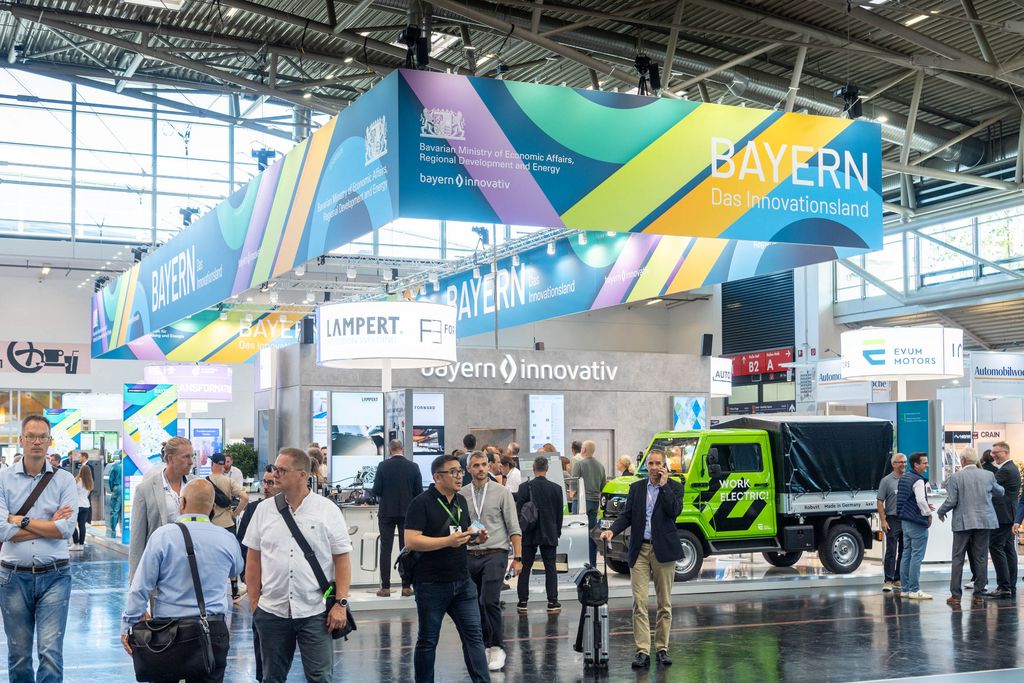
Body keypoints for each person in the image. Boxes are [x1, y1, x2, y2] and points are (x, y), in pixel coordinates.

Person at [244, 448, 352, 683]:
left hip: (315, 611)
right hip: (272, 611)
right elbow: (253, 559)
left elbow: (342, 559)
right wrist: (255, 603)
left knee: (320, 677)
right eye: (275, 468)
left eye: (282, 470)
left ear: (302, 475)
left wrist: (341, 603)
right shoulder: (263, 510)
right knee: (271, 677)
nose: (275, 475)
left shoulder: (327, 510)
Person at [121, 479, 244, 683]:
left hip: (168, 634)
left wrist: (129, 624)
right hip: (211, 631)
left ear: (182, 502)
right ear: (212, 507)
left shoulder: (163, 536)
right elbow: (236, 570)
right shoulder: (226, 538)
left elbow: (140, 587)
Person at [0, 414, 78, 683]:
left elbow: (66, 529)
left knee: (50, 653)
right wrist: (48, 524)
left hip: (55, 575)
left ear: (50, 441)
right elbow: (2, 530)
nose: (36, 442)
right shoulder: (3, 479)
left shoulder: (65, 479)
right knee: (19, 655)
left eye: (42, 437)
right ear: (21, 440)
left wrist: (18, 520)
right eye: (31, 436)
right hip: (12, 577)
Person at [404, 454, 491, 683]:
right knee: (428, 640)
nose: (459, 476)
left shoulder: (460, 502)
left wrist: (476, 538)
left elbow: (463, 533)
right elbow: (411, 541)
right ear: (437, 477)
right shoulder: (421, 503)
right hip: (431, 583)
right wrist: (446, 541)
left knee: (474, 636)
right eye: (453, 472)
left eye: (460, 471)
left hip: (462, 582)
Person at [600, 449, 684, 669]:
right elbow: (626, 515)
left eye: (659, 463)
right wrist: (612, 531)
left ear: (665, 466)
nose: (655, 467)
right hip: (640, 550)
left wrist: (665, 485)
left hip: (663, 551)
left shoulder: (675, 487)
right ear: (646, 466)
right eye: (651, 463)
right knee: (640, 602)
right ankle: (642, 650)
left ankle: (662, 648)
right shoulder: (636, 488)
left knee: (664, 603)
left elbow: (674, 511)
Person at [461, 452, 522, 672]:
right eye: (475, 465)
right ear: (468, 469)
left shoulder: (502, 492)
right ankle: (484, 645)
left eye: (483, 465)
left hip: (495, 552)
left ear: (489, 466)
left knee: (489, 600)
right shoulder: (462, 494)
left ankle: (497, 645)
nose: (480, 469)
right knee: (474, 604)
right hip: (469, 555)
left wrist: (518, 558)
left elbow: (514, 527)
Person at [936, 447, 1002, 605]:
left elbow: (952, 500)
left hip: (963, 523)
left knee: (958, 558)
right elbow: (1000, 491)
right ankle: (979, 594)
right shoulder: (988, 475)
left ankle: (956, 596)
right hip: (984, 522)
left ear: (962, 460)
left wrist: (941, 511)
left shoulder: (956, 477)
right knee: (981, 557)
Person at [129, 437, 195, 580]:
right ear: (170, 459)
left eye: (192, 456)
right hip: (161, 568)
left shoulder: (197, 485)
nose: (191, 462)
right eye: (186, 457)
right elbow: (137, 537)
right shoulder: (145, 489)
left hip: (192, 566)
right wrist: (135, 579)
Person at [236, 466, 276, 683]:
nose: (267, 487)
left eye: (271, 482)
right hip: (261, 591)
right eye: (265, 482)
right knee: (261, 640)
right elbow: (242, 545)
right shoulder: (254, 510)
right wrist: (248, 579)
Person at [371, 438, 422, 598]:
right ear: (403, 449)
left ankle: (385, 587)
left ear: (389, 450)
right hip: (408, 513)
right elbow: (418, 492)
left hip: (386, 512)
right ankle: (406, 586)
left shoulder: (382, 466)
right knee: (406, 549)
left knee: (386, 549)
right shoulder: (413, 467)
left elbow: (376, 490)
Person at [515, 455, 563, 614]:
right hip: (549, 531)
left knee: (525, 567)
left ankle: (522, 601)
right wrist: (558, 531)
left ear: (534, 469)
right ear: (547, 469)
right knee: (550, 567)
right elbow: (559, 514)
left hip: (529, 532)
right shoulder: (556, 488)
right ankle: (552, 601)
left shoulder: (524, 487)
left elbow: (519, 511)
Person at [208, 452, 248, 600]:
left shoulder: (205, 482)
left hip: (211, 525)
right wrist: (235, 513)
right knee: (231, 556)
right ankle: (235, 591)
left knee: (211, 557)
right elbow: (245, 497)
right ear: (223, 465)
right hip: (228, 524)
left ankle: (213, 591)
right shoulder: (229, 481)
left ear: (212, 464)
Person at [896, 452, 934, 600]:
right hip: (916, 522)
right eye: (924, 463)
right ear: (916, 465)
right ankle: (914, 589)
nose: (926, 465)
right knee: (916, 556)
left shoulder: (905, 477)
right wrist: (928, 513)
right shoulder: (918, 480)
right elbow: (920, 500)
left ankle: (905, 589)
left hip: (905, 521)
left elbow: (908, 499)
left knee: (906, 554)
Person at [987, 441, 1020, 598]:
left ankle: (1004, 586)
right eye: (993, 452)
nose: (993, 455)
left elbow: (989, 485)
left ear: (1005, 453)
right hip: (1008, 515)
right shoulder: (1010, 468)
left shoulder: (1006, 470)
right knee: (1008, 549)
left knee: (995, 546)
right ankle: (1009, 585)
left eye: (996, 452)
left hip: (1002, 515)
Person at [572, 440, 607, 567]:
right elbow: (604, 486)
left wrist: (572, 493)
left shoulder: (579, 464)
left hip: (581, 502)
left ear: (584, 450)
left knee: (577, 533)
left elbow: (574, 483)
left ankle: (579, 564)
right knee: (591, 534)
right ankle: (592, 564)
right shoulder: (600, 466)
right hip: (594, 502)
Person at [876, 452, 907, 592]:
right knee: (891, 551)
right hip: (892, 519)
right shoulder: (886, 481)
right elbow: (880, 501)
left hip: (907, 519)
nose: (904, 464)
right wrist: (883, 520)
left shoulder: (909, 479)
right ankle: (888, 580)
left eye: (905, 462)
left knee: (904, 550)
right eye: (901, 462)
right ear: (893, 464)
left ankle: (898, 578)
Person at [71, 460, 94, 551]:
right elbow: (87, 494)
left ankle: (75, 543)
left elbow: (71, 492)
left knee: (72, 524)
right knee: (82, 526)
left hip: (77, 505)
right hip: (86, 505)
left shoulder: (76, 480)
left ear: (81, 471)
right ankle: (81, 545)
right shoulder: (90, 482)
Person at [108, 456, 123, 538]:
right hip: (125, 488)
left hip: (117, 488)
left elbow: (110, 479)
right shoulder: (127, 466)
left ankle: (113, 532)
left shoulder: (116, 466)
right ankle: (123, 531)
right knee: (124, 511)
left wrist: (111, 489)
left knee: (115, 510)